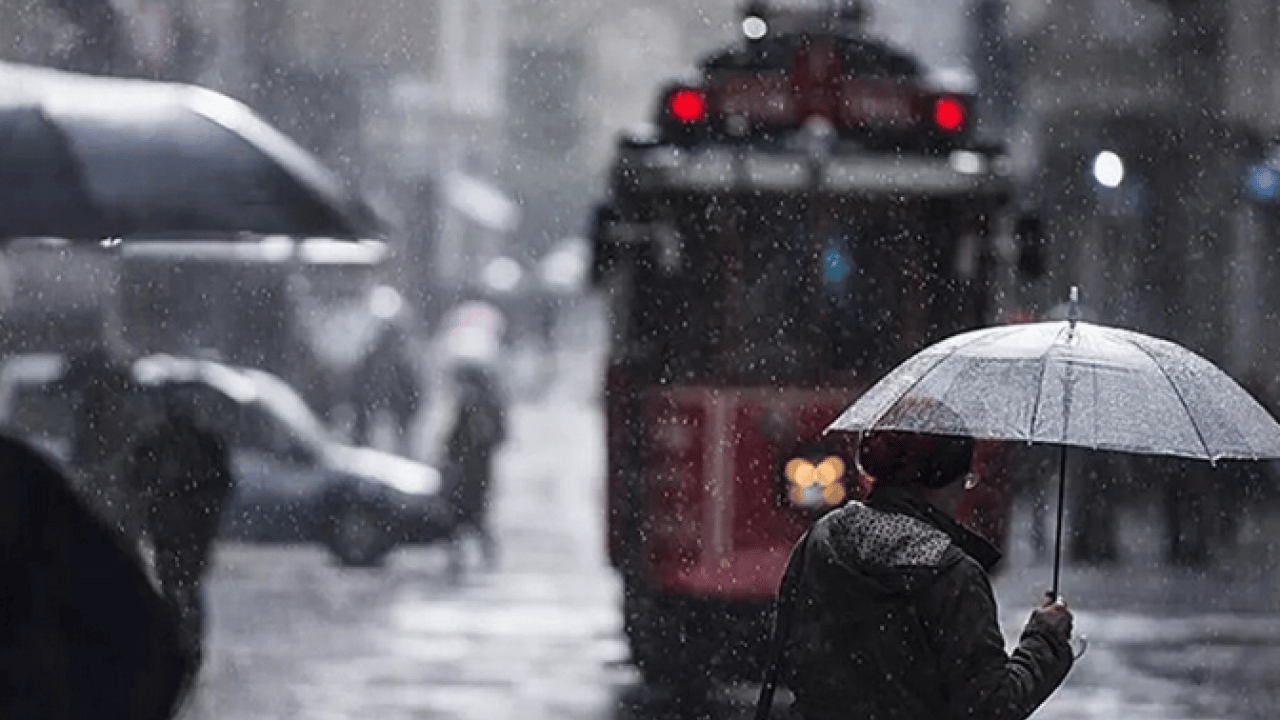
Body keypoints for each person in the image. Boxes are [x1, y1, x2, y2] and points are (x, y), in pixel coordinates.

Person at [762, 426, 1074, 720]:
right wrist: (1045, 639)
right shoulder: (952, 573)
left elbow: (786, 650)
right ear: (948, 480)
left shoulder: (823, 538)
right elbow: (991, 706)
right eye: (967, 479)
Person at [125, 387, 236, 669]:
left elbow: (221, 485)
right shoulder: (182, 441)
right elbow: (137, 477)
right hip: (177, 528)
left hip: (182, 528)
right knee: (180, 586)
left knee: (180, 586)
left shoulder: (184, 442)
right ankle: (182, 644)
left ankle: (182, 645)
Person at [442, 362, 507, 572]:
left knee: (472, 516)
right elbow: (455, 437)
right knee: (464, 516)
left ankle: (483, 554)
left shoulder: (482, 406)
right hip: (468, 470)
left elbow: (495, 437)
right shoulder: (472, 406)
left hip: (474, 471)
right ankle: (466, 555)